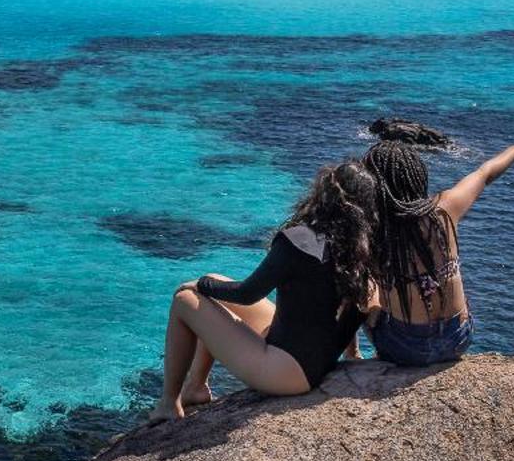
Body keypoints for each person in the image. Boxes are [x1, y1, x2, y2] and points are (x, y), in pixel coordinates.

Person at [149, 160, 377, 424]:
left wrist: (199, 286)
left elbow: (249, 293)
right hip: (318, 360)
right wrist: (352, 354)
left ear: (323, 194)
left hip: (284, 369)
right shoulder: (358, 248)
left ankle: (168, 403)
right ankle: (196, 387)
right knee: (215, 282)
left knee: (184, 300)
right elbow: (355, 307)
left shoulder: (299, 240)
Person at [362, 116, 514, 366]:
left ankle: (353, 357)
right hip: (457, 338)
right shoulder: (443, 210)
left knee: (363, 284)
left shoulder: (374, 231)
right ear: (417, 177)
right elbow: (484, 173)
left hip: (404, 348)